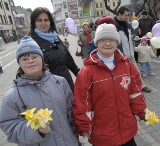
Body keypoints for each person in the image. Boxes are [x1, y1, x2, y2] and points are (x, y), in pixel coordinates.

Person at [72, 24, 146, 146]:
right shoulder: (87, 71)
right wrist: (83, 126)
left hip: (127, 130)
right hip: (102, 135)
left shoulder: (127, 65)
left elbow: (135, 92)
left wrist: (142, 112)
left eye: (111, 40)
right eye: (102, 40)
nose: (107, 44)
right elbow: (82, 102)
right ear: (96, 43)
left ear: (117, 42)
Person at [0, 36, 79, 146]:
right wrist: (36, 130)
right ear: (19, 63)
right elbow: (10, 127)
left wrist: (80, 130)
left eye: (34, 56)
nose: (30, 61)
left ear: (42, 58)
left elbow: (73, 112)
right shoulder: (11, 96)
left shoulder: (60, 82)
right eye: (25, 59)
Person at [29, 7, 79, 92]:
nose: (43, 23)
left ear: (50, 22)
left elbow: (68, 59)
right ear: (34, 23)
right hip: (49, 91)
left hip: (67, 85)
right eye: (39, 20)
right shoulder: (31, 43)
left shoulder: (55, 37)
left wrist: (80, 74)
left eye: (46, 20)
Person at [114, 6, 151, 93]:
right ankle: (124, 90)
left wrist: (134, 37)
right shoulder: (114, 26)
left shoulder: (127, 24)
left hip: (130, 53)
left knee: (136, 71)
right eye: (125, 15)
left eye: (128, 16)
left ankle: (142, 86)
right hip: (120, 56)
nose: (127, 17)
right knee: (122, 74)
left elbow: (129, 36)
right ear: (119, 14)